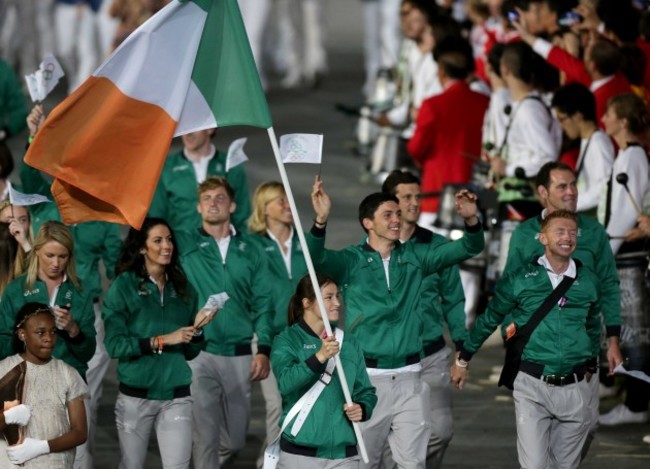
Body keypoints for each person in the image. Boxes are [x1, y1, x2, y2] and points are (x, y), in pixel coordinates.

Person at [307, 176, 484, 468]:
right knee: (365, 462)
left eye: (398, 215)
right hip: (366, 379)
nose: (396, 220)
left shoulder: (417, 257)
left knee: (413, 463)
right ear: (368, 223)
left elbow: (468, 248)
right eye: (388, 215)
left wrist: (471, 219)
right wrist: (320, 221)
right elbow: (315, 262)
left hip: (411, 377)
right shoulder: (350, 261)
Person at [453, 209, 623, 469]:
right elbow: (489, 319)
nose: (567, 237)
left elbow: (591, 325)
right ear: (542, 238)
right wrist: (464, 358)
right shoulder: (521, 278)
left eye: (572, 233)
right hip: (532, 384)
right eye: (560, 231)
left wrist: (590, 363)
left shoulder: (589, 280)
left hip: (576, 387)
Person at [503, 161, 621, 458]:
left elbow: (609, 284)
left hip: (584, 357)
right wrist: (512, 338)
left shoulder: (593, 232)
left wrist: (614, 340)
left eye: (573, 185)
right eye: (561, 186)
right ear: (543, 192)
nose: (570, 192)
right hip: (536, 357)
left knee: (588, 427)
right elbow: (507, 289)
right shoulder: (524, 234)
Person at [175, 176, 273, 468]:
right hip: (199, 352)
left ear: (232, 205)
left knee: (235, 439)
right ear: (198, 207)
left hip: (240, 352)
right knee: (204, 436)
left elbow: (264, 303)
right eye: (207, 199)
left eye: (219, 198)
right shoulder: (183, 245)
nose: (213, 203)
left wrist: (264, 348)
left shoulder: (252, 248)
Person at [102, 217, 212, 469]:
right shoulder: (123, 287)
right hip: (135, 398)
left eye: (169, 240)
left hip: (177, 396)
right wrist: (161, 340)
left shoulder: (184, 289)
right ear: (142, 247)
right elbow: (115, 345)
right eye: (158, 240)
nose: (167, 246)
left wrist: (197, 331)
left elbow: (191, 352)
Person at [380, 170, 466, 469]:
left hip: (430, 356)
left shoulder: (437, 246)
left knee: (440, 432)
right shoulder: (373, 247)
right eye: (407, 197)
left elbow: (454, 300)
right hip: (386, 362)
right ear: (389, 203)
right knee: (382, 441)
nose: (415, 203)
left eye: (418, 196)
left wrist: (462, 349)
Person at [272, 273, 377, 468]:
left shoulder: (349, 342)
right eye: (328, 297)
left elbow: (366, 391)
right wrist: (319, 357)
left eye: (338, 296)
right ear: (306, 303)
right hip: (299, 455)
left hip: (344, 455)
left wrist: (362, 408)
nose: (337, 302)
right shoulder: (286, 340)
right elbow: (286, 383)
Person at [598, 93, 650, 426]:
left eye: (610, 113)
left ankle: (636, 402)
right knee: (628, 330)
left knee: (633, 332)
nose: (604, 118)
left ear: (624, 122)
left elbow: (621, 214)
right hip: (622, 249)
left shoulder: (632, 157)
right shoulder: (627, 156)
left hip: (626, 256)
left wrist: (606, 249)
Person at [247, 181, 307, 467]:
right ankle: (271, 463)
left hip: (304, 337)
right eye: (280, 201)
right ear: (264, 208)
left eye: (289, 200)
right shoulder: (252, 245)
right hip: (268, 336)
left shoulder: (305, 243)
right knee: (276, 404)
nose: (287, 205)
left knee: (298, 403)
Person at [407, 36, 489, 224]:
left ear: (442, 73)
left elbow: (416, 148)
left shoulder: (432, 105)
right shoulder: (485, 103)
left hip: (436, 191)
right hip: (475, 192)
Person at [0, 221, 96, 381]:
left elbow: (88, 353)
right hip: (27, 382)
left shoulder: (80, 291)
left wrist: (73, 330)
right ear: (36, 251)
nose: (56, 264)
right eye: (49, 255)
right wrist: (27, 334)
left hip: (69, 382)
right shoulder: (15, 290)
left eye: (62, 256)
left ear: (70, 256)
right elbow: (2, 347)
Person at [0, 302, 88, 468]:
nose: (49, 338)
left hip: (55, 463)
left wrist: (41, 447)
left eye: (53, 332)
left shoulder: (67, 373)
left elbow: (80, 432)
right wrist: (8, 417)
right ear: (22, 334)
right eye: (40, 332)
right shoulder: (4, 370)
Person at [490, 41, 562, 218]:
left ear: (505, 69)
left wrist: (508, 169)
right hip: (516, 199)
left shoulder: (529, 110)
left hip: (525, 201)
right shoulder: (524, 106)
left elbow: (547, 156)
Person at [149, 128, 252, 233]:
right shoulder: (166, 167)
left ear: (210, 129)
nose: (188, 133)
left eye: (193, 127)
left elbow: (242, 214)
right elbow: (156, 216)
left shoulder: (230, 166)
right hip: (182, 245)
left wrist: (242, 245)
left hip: (221, 244)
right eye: (184, 127)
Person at [551, 83, 614, 216]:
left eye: (562, 119)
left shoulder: (598, 142)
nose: (562, 126)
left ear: (578, 116)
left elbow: (605, 189)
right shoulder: (590, 141)